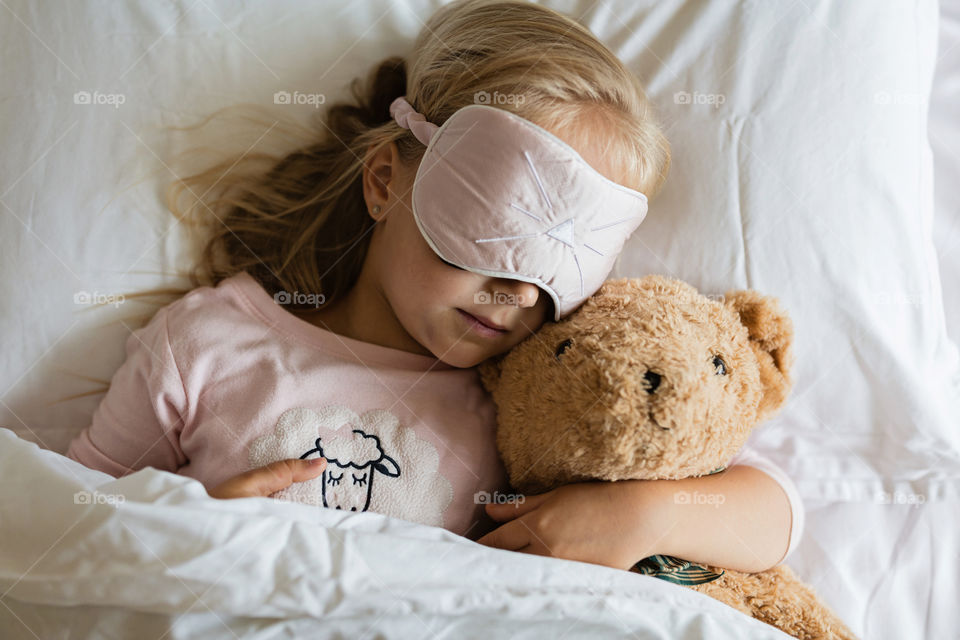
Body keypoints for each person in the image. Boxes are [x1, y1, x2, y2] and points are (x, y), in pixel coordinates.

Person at [66, 0, 802, 574]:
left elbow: (771, 511)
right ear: (386, 180)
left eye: (556, 274)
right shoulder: (204, 346)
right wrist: (183, 533)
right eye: (494, 235)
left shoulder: (527, 398)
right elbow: (59, 521)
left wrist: (643, 519)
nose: (517, 294)